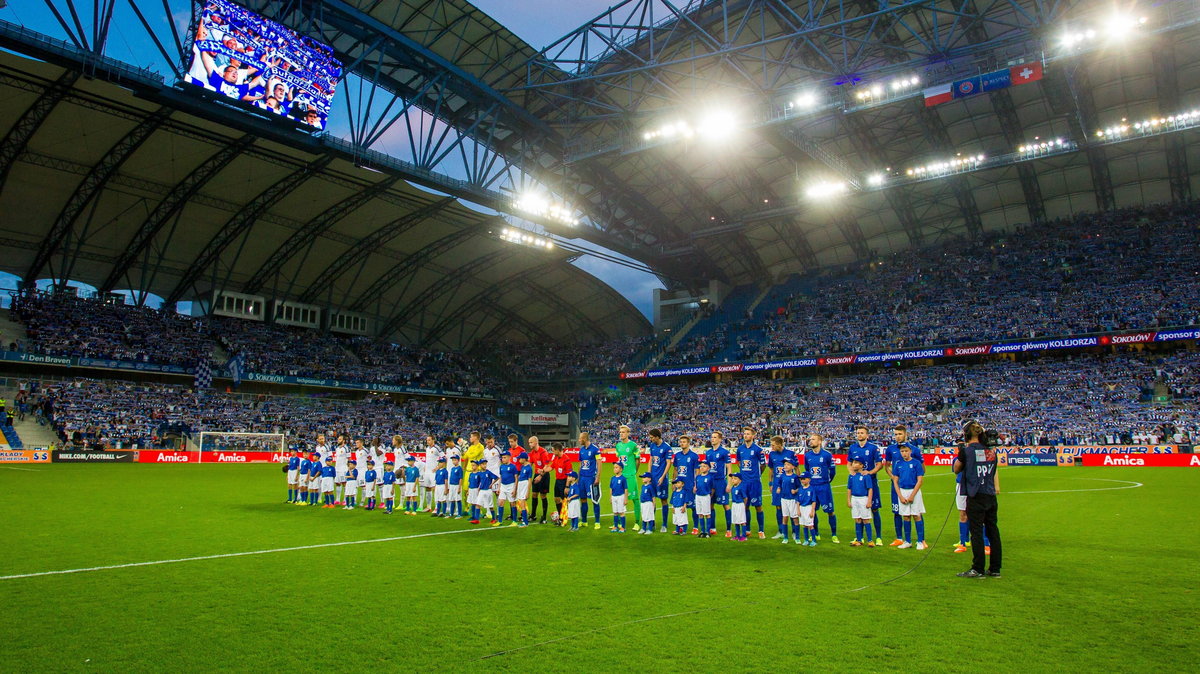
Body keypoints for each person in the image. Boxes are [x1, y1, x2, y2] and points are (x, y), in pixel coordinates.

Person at [954, 421, 1002, 578]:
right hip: (989, 494)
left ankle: (978, 568)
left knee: (976, 532)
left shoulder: (967, 451)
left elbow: (956, 469)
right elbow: (994, 470)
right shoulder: (991, 451)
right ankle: (995, 568)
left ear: (966, 434)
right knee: (993, 531)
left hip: (975, 495)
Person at [884, 425, 923, 547]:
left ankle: (921, 539)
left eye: (900, 434)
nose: (897, 436)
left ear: (906, 434)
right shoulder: (890, 449)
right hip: (897, 486)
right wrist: (894, 478)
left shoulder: (914, 449)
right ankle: (899, 538)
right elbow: (887, 466)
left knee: (917, 512)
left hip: (911, 486)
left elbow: (922, 468)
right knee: (897, 511)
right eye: (895, 434)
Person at [847, 425, 883, 546]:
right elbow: (848, 463)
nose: (859, 435)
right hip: (858, 483)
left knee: (874, 508)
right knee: (858, 510)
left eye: (862, 433)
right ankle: (860, 538)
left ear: (867, 435)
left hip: (870, 481)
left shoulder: (873, 448)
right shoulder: (853, 447)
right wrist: (851, 472)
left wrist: (869, 472)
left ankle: (878, 537)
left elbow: (879, 464)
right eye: (858, 433)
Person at [803, 433, 839, 543]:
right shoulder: (807, 456)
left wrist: (827, 481)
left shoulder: (827, 455)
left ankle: (834, 534)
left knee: (830, 511)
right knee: (813, 511)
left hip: (824, 487)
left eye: (813, 439)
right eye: (810, 439)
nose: (811, 441)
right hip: (812, 487)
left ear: (820, 441)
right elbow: (807, 470)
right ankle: (816, 533)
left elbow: (832, 471)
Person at [892, 444, 927, 549]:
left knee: (916, 515)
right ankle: (907, 541)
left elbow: (920, 480)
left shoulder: (916, 463)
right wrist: (900, 496)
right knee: (906, 516)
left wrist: (912, 495)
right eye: (902, 451)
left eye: (906, 451)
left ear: (910, 451)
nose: (904, 453)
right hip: (902, 491)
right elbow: (895, 481)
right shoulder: (898, 464)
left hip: (914, 491)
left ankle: (920, 541)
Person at [734, 427, 767, 539]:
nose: (746, 435)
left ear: (753, 436)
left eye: (748, 434)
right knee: (745, 506)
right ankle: (747, 529)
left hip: (755, 483)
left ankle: (761, 530)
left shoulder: (758, 450)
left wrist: (756, 475)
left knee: (758, 506)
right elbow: (739, 463)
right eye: (744, 434)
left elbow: (763, 465)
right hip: (744, 483)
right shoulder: (740, 449)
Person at [766, 435, 797, 540]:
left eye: (773, 445)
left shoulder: (790, 454)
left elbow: (797, 468)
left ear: (779, 444)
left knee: (792, 508)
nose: (771, 447)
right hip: (777, 485)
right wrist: (770, 483)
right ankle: (781, 531)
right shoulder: (772, 454)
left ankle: (794, 531)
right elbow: (770, 469)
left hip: (789, 484)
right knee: (778, 507)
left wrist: (799, 482)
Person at [646, 428, 673, 532]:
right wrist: (648, 474)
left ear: (657, 437)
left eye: (652, 437)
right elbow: (651, 460)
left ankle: (664, 525)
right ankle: (652, 524)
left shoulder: (666, 447)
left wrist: (663, 476)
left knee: (663, 500)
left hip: (662, 478)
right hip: (653, 477)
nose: (650, 439)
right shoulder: (652, 446)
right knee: (652, 500)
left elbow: (668, 463)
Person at [673, 435, 700, 534]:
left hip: (689, 485)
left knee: (693, 507)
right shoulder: (677, 456)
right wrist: (674, 482)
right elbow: (675, 470)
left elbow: (697, 471)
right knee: (679, 506)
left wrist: (696, 484)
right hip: (680, 486)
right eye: (681, 442)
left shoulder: (694, 456)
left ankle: (696, 527)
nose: (682, 443)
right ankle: (681, 527)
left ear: (688, 443)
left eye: (684, 442)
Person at [707, 431, 732, 537]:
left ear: (720, 439)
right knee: (710, 505)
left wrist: (729, 483)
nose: (712, 439)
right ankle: (712, 528)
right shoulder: (708, 452)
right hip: (710, 482)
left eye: (715, 437)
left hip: (720, 482)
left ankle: (729, 529)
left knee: (725, 505)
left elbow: (729, 468)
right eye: (712, 437)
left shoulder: (724, 452)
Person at [576, 431, 602, 529]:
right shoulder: (581, 450)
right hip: (582, 478)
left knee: (595, 500)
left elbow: (599, 463)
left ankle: (597, 522)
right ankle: (584, 521)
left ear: (584, 439)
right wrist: (578, 477)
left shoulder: (595, 449)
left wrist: (598, 477)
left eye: (580, 438)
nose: (579, 440)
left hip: (591, 478)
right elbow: (580, 464)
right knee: (583, 499)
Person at [846, 458, 874, 547]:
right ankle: (859, 540)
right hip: (854, 498)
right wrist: (848, 500)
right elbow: (849, 488)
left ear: (862, 465)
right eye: (854, 462)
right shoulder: (851, 476)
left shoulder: (866, 476)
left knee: (866, 519)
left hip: (863, 498)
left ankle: (870, 540)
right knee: (857, 519)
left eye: (856, 463)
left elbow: (870, 489)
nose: (854, 464)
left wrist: (869, 501)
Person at [528, 437, 552, 523]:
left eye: (531, 442)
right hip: (537, 474)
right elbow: (529, 464)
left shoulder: (543, 452)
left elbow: (546, 466)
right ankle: (533, 515)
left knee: (543, 495)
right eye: (529, 442)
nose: (529, 444)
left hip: (544, 475)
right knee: (534, 494)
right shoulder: (532, 453)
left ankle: (544, 516)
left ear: (535, 442)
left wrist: (540, 476)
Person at [614, 425, 640, 502]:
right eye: (620, 432)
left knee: (635, 499)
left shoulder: (633, 445)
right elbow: (618, 459)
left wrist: (634, 471)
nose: (621, 434)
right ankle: (620, 514)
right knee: (620, 498)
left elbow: (638, 460)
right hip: (621, 475)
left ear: (628, 433)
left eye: (623, 432)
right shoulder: (618, 446)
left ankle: (638, 514)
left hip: (630, 475)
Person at [777, 459, 800, 544]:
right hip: (784, 499)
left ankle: (797, 537)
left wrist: (795, 491)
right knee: (785, 517)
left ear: (792, 467)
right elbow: (779, 484)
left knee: (795, 518)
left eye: (788, 464)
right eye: (785, 464)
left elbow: (799, 487)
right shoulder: (782, 476)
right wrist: (779, 488)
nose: (785, 466)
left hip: (792, 500)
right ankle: (785, 537)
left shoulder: (795, 477)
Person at [550, 443, 571, 524]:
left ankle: (563, 518)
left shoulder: (566, 459)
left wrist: (567, 486)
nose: (552, 452)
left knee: (564, 500)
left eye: (553, 450)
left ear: (558, 450)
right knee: (556, 499)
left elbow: (569, 474)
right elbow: (551, 467)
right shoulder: (556, 457)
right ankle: (560, 515)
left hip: (564, 481)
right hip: (557, 481)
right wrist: (543, 471)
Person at [497, 452, 518, 527]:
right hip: (503, 486)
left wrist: (515, 489)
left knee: (512, 503)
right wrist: (499, 488)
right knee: (500, 502)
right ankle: (500, 521)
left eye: (504, 457)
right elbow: (501, 477)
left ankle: (515, 521)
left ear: (509, 457)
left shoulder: (513, 467)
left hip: (511, 486)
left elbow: (516, 478)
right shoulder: (501, 467)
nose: (503, 459)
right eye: (502, 458)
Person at [796, 471, 817, 547]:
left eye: (804, 479)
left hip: (808, 507)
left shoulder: (811, 489)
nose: (802, 480)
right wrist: (798, 510)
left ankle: (814, 540)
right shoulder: (800, 489)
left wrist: (812, 511)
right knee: (804, 525)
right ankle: (806, 540)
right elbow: (797, 501)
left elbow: (814, 501)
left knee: (810, 525)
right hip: (802, 508)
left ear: (809, 479)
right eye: (801, 479)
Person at [693, 461, 713, 539]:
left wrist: (710, 495)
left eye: (704, 466)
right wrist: (695, 489)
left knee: (707, 514)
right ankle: (702, 531)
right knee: (700, 513)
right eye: (701, 466)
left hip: (705, 496)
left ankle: (708, 532)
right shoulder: (698, 477)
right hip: (698, 496)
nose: (702, 468)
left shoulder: (710, 477)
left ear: (708, 468)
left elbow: (712, 487)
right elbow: (696, 485)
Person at [609, 462, 628, 533]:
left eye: (616, 467)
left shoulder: (623, 479)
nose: (614, 469)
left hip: (620, 497)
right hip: (614, 497)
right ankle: (615, 526)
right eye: (614, 467)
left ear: (621, 469)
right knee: (615, 512)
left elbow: (626, 489)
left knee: (621, 512)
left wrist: (625, 499)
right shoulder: (612, 478)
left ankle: (623, 527)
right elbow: (611, 488)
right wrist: (610, 497)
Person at [476, 460, 497, 525]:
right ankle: (476, 519)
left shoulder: (488, 472)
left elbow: (496, 478)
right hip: (482, 490)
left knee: (490, 506)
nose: (484, 465)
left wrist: (492, 484)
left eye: (485, 464)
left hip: (488, 490)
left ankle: (494, 518)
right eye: (483, 464)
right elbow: (479, 481)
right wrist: (479, 487)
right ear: (480, 465)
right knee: (478, 504)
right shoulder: (479, 473)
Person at [515, 453, 533, 527]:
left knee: (522, 503)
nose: (519, 460)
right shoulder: (523, 467)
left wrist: (528, 492)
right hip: (521, 485)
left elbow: (529, 480)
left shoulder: (529, 468)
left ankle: (525, 522)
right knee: (520, 502)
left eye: (520, 458)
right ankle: (524, 520)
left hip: (524, 485)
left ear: (524, 459)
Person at [729, 473, 748, 541]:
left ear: (740, 480)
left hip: (740, 504)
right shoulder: (733, 487)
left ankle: (744, 536)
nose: (733, 480)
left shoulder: (741, 487)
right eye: (732, 479)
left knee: (742, 521)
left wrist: (744, 506)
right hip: (734, 504)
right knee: (735, 520)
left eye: (735, 479)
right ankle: (737, 535)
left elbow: (745, 498)